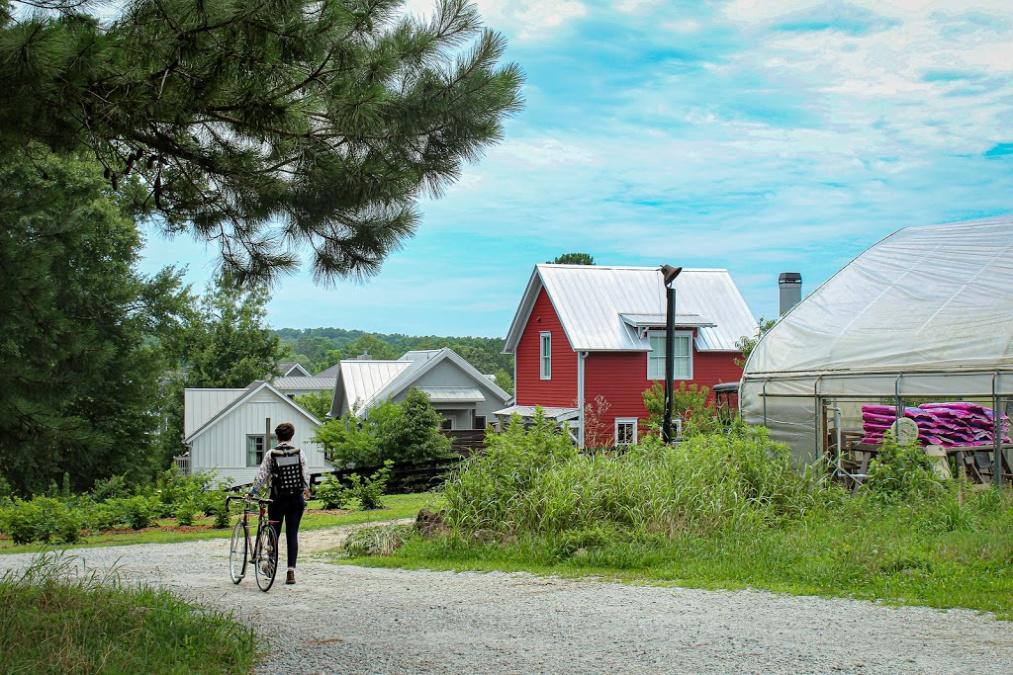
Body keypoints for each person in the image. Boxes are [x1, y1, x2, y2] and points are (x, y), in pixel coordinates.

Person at [249, 422, 311, 585]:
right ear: (292, 436)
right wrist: (306, 490)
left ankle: (270, 566)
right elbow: (305, 475)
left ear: (277, 437)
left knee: (273, 533)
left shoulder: (271, 454)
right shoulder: (300, 453)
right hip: (296, 500)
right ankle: (291, 572)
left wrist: (252, 493)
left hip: (277, 500)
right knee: (292, 534)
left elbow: (262, 476)